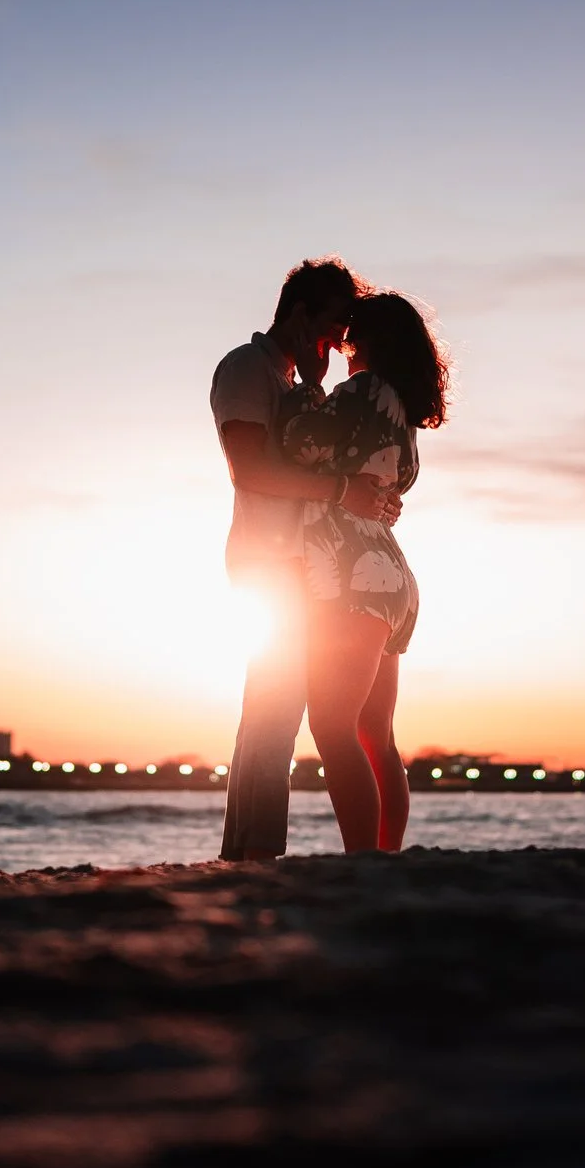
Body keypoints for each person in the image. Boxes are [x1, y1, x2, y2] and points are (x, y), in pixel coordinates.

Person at [210, 259, 400, 862]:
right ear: (300, 313)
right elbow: (251, 469)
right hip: (270, 563)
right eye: (333, 324)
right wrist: (346, 492)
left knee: (273, 715)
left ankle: (245, 854)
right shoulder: (245, 368)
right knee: (273, 714)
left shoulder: (293, 383)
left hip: (305, 569)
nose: (339, 340)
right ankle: (256, 855)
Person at [276, 290, 447, 853]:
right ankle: (385, 858)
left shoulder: (365, 390)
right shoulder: (404, 414)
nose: (344, 353)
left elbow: (300, 445)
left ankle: (363, 862)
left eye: (349, 343)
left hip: (350, 574)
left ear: (369, 344)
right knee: (377, 736)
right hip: (392, 577)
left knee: (331, 727)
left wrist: (307, 381)